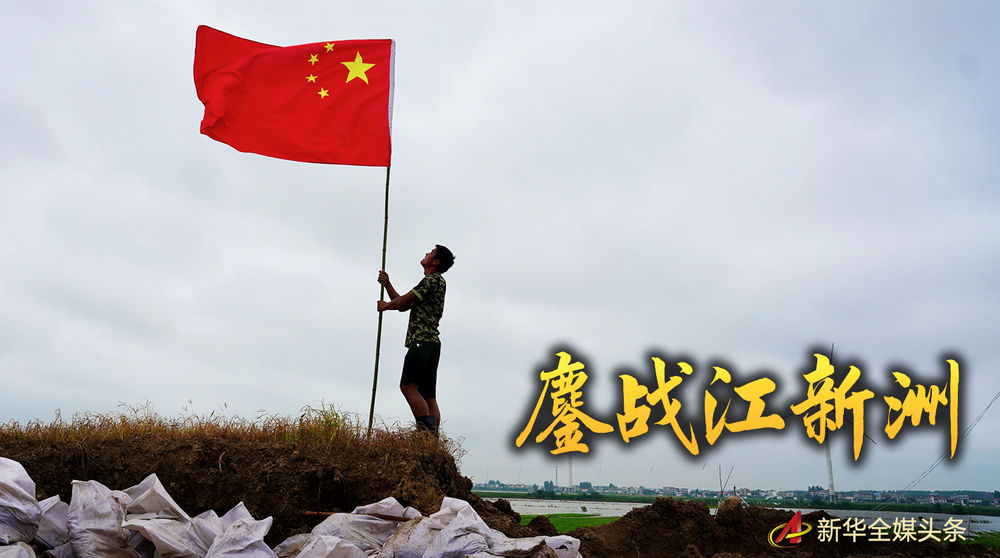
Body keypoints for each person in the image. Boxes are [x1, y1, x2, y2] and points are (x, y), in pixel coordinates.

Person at [377, 245, 455, 435]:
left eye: (431, 252)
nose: (426, 253)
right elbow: (403, 305)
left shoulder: (432, 280)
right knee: (428, 395)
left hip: (422, 342)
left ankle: (426, 435)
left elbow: (403, 302)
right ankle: (432, 440)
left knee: (408, 387)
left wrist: (385, 306)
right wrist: (388, 285)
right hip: (431, 344)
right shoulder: (434, 282)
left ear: (435, 262)